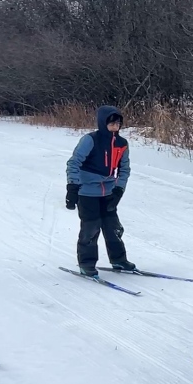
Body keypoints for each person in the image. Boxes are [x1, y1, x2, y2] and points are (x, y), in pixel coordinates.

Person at [65, 105, 134, 276]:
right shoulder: (90, 140)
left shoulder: (122, 144)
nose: (115, 127)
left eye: (118, 123)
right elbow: (73, 163)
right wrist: (73, 186)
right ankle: (86, 264)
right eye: (111, 123)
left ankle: (119, 260)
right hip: (87, 192)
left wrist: (119, 190)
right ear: (103, 123)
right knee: (91, 228)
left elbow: (124, 169)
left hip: (108, 192)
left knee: (114, 228)